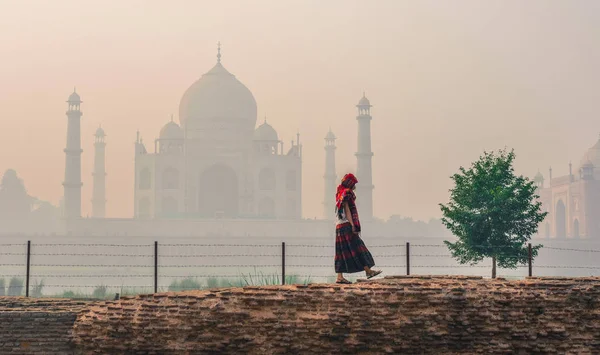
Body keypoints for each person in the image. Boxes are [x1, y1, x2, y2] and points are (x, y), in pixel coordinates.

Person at [334, 173, 382, 284]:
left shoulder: (339, 193)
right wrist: (352, 225)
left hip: (339, 226)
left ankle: (340, 277)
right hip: (346, 225)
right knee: (359, 247)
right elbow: (347, 210)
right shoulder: (346, 193)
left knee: (341, 251)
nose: (355, 187)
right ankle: (368, 271)